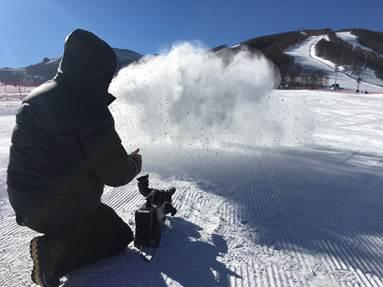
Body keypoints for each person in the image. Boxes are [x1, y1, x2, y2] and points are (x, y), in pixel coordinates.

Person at [7, 29, 142, 286]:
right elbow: (115, 173)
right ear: (98, 71)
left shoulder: (39, 93)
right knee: (118, 235)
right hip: (60, 207)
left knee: (102, 220)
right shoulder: (88, 105)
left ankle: (57, 241)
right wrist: (135, 162)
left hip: (22, 202)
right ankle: (55, 253)